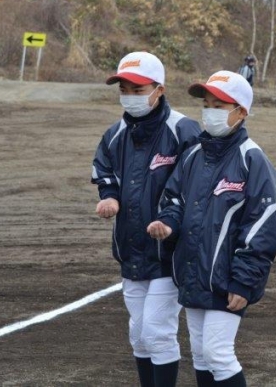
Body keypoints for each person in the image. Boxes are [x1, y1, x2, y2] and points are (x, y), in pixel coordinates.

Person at [146, 70, 276, 387]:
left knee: (217, 353)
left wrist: (244, 281)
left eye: (219, 106)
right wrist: (167, 223)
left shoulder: (253, 159)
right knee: (201, 354)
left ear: (241, 112)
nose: (210, 112)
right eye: (206, 104)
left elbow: (263, 226)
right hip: (194, 273)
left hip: (227, 279)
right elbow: (174, 200)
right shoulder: (192, 155)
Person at [91, 51, 201, 387]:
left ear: (159, 90)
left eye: (138, 90)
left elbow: (196, 185)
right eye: (124, 89)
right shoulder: (115, 133)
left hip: (170, 252)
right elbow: (104, 170)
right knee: (138, 334)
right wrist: (109, 196)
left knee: (156, 331)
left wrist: (170, 221)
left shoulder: (183, 130)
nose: (130, 96)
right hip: (131, 247)